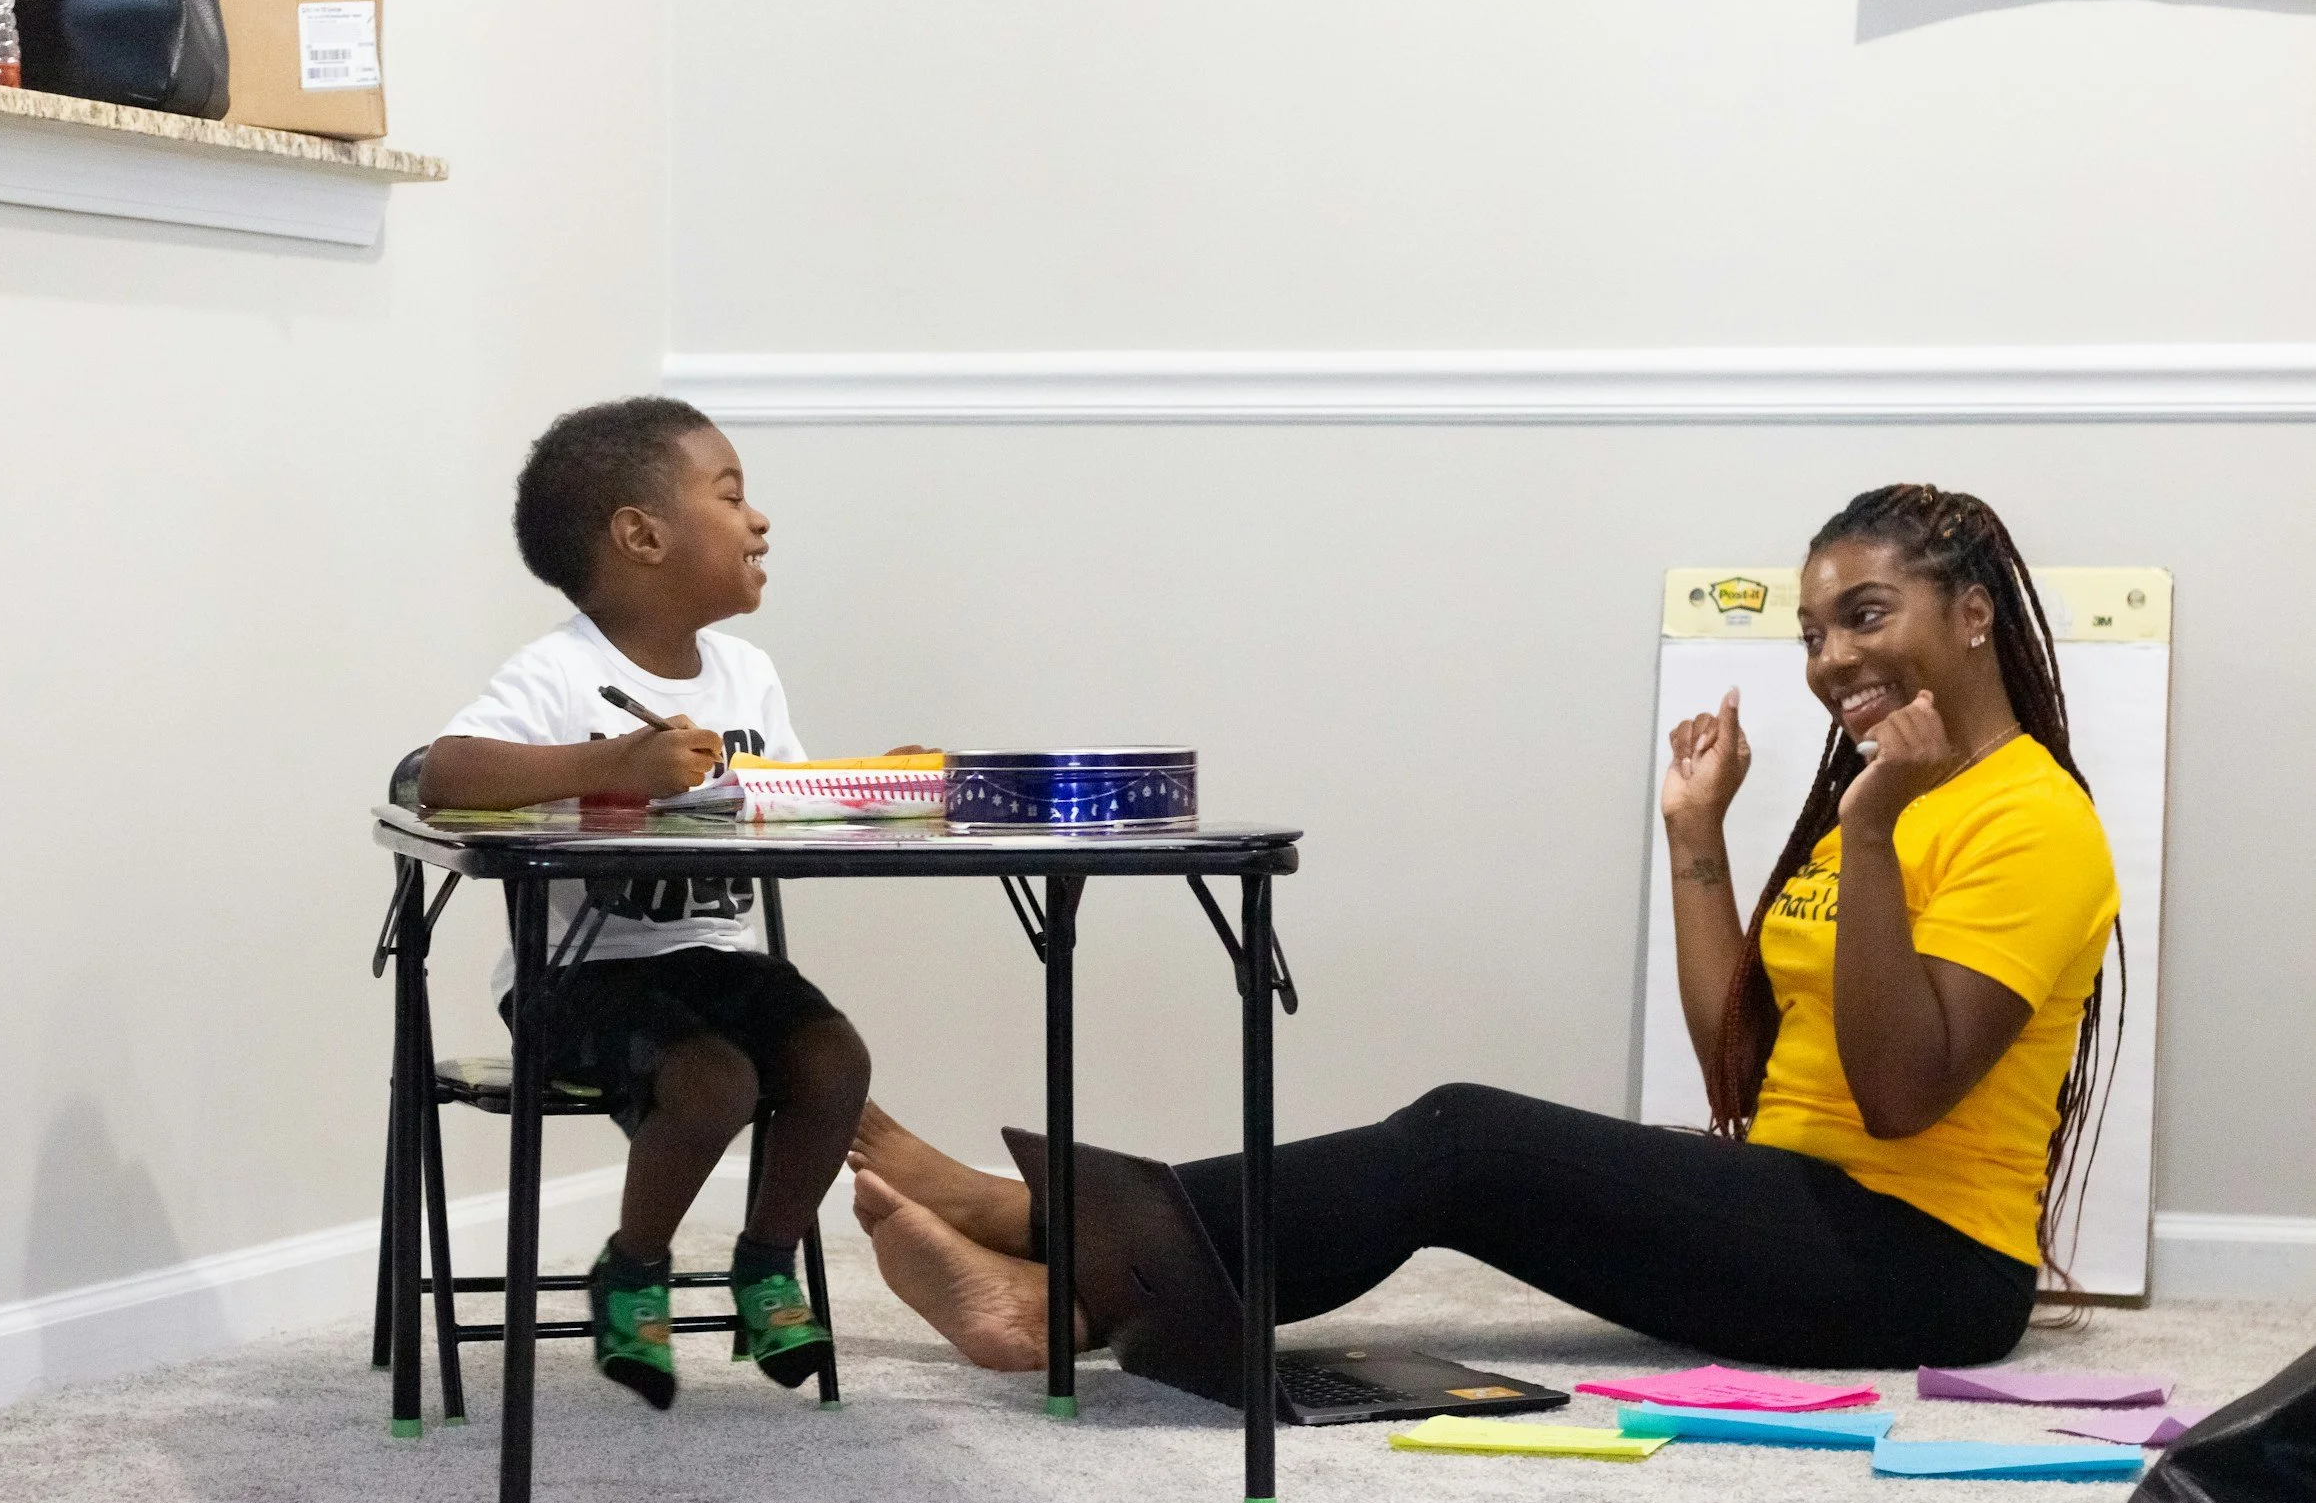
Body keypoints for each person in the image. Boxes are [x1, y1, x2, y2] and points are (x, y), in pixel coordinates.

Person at [849, 484, 2121, 1373]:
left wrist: (1874, 830)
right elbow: (1741, 1071)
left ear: (1971, 614)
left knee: (1462, 1137)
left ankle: (1049, 1260)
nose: (1831, 658)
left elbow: (1898, 1099)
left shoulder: (2030, 819)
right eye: (1810, 631)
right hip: (1807, 1206)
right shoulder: (1889, 799)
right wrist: (1695, 836)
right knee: (1457, 1159)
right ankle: (1057, 1254)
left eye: (1864, 614)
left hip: (1921, 1267)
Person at [420, 396, 880, 1410]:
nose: (758, 520)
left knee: (832, 1057)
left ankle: (766, 1264)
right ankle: (634, 1266)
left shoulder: (747, 674)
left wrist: (861, 788)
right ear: (642, 534)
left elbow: (786, 804)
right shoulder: (561, 671)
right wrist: (615, 762)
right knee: (711, 1082)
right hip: (583, 975)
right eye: (731, 494)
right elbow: (441, 769)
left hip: (719, 960)